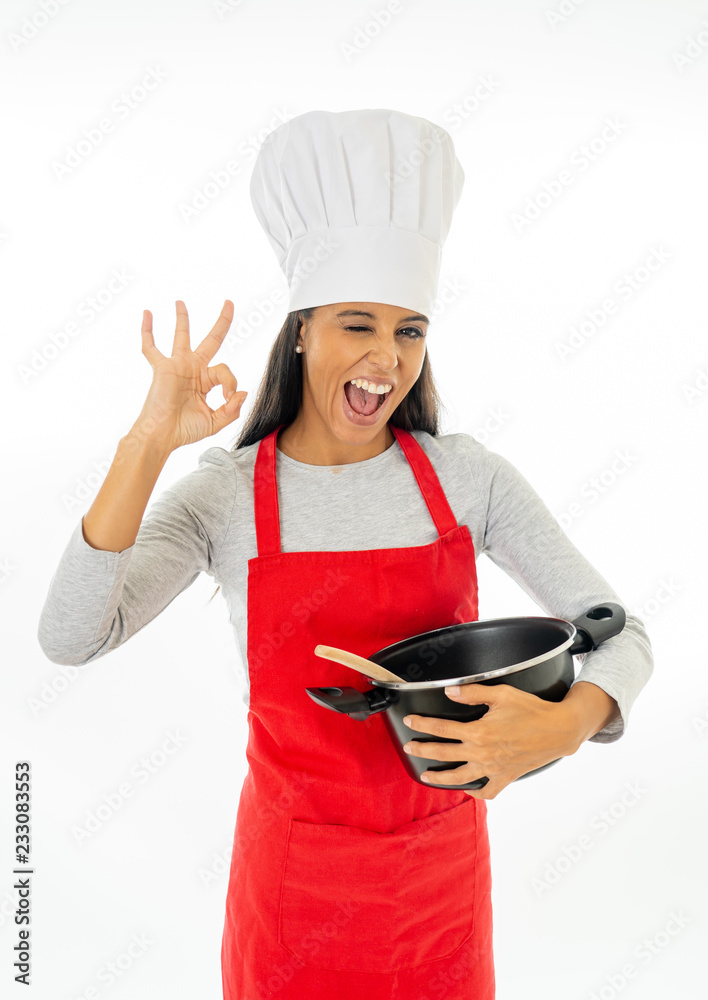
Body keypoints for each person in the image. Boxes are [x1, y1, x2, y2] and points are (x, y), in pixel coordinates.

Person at [38, 110, 653, 1000]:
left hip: (441, 889)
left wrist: (572, 719)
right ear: (300, 330)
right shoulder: (227, 496)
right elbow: (70, 636)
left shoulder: (465, 478)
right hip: (291, 901)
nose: (384, 360)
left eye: (408, 331)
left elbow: (621, 632)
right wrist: (147, 441)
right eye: (355, 325)